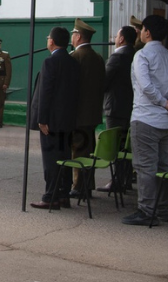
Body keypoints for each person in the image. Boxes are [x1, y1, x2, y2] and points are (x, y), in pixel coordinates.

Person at [122, 14, 168, 226]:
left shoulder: (142, 55)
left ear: (147, 32)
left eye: (142, 29)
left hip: (146, 118)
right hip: (167, 120)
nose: (140, 32)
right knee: (163, 165)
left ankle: (147, 210)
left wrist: (165, 102)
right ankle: (162, 208)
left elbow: (146, 86)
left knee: (145, 167)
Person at [29, 26, 80, 209]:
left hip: (51, 121)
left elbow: (46, 92)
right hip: (67, 120)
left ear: (51, 41)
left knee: (51, 160)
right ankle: (63, 194)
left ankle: (50, 196)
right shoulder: (73, 62)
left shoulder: (50, 62)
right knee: (64, 157)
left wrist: (42, 119)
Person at [98, 25, 136, 194]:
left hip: (115, 107)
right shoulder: (134, 54)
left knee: (116, 146)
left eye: (116, 36)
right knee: (126, 146)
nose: (114, 38)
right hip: (130, 106)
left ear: (121, 39)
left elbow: (104, 82)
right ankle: (126, 179)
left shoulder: (117, 57)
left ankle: (117, 180)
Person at [70, 19, 105, 197]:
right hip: (93, 113)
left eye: (73, 34)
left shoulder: (75, 57)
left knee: (78, 151)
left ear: (78, 36)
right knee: (89, 150)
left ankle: (79, 186)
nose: (72, 37)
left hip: (78, 114)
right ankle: (88, 185)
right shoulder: (97, 57)